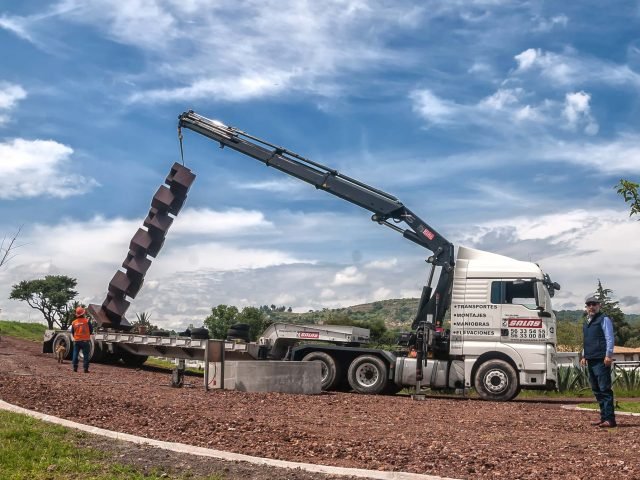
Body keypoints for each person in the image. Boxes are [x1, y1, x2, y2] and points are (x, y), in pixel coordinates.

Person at [580, 293, 616, 428]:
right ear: (586, 307)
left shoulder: (604, 319)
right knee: (596, 390)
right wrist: (584, 355)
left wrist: (608, 355)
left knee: (604, 389)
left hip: (602, 359)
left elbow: (610, 338)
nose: (591, 307)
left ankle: (610, 420)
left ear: (599, 305)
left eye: (594, 304)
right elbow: (586, 341)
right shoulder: (586, 322)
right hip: (591, 359)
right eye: (589, 305)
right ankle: (603, 418)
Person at [70, 306, 93, 373]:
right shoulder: (87, 321)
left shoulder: (74, 322)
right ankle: (85, 369)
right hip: (85, 341)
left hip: (77, 341)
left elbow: (72, 332)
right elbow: (91, 330)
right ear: (83, 313)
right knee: (86, 355)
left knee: (75, 353)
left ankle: (75, 368)